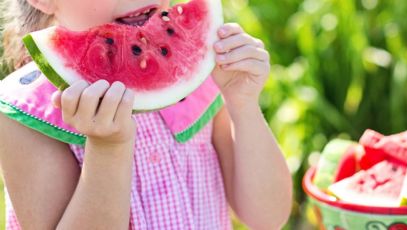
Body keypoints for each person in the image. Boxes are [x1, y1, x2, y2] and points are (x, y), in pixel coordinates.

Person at [0, 0, 292, 229]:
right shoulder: (26, 113)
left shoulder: (201, 76)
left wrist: (244, 105)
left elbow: (268, 217)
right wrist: (108, 150)